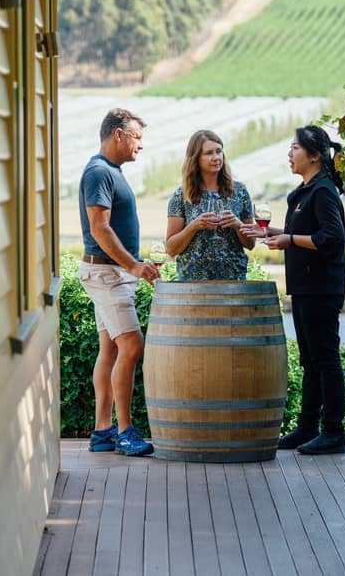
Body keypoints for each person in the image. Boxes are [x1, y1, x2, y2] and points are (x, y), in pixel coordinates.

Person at [241, 125, 345, 454]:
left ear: (314, 155)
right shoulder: (305, 192)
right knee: (310, 361)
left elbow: (331, 238)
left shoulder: (323, 191)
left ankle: (334, 432)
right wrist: (267, 232)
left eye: (295, 148)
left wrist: (288, 239)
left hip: (321, 289)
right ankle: (306, 427)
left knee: (326, 360)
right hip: (304, 289)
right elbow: (299, 234)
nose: (289, 154)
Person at [78, 108, 158, 457]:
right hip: (107, 274)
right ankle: (125, 432)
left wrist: (134, 267)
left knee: (110, 349)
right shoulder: (99, 172)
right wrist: (134, 266)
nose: (141, 144)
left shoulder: (111, 171)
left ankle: (103, 432)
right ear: (118, 135)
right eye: (137, 137)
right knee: (132, 346)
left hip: (112, 273)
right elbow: (99, 228)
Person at [166, 130, 255, 280]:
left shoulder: (239, 191)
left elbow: (251, 244)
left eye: (219, 151)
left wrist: (238, 225)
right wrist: (194, 226)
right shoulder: (181, 196)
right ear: (195, 159)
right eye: (208, 153)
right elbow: (171, 249)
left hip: (234, 283)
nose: (216, 158)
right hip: (192, 284)